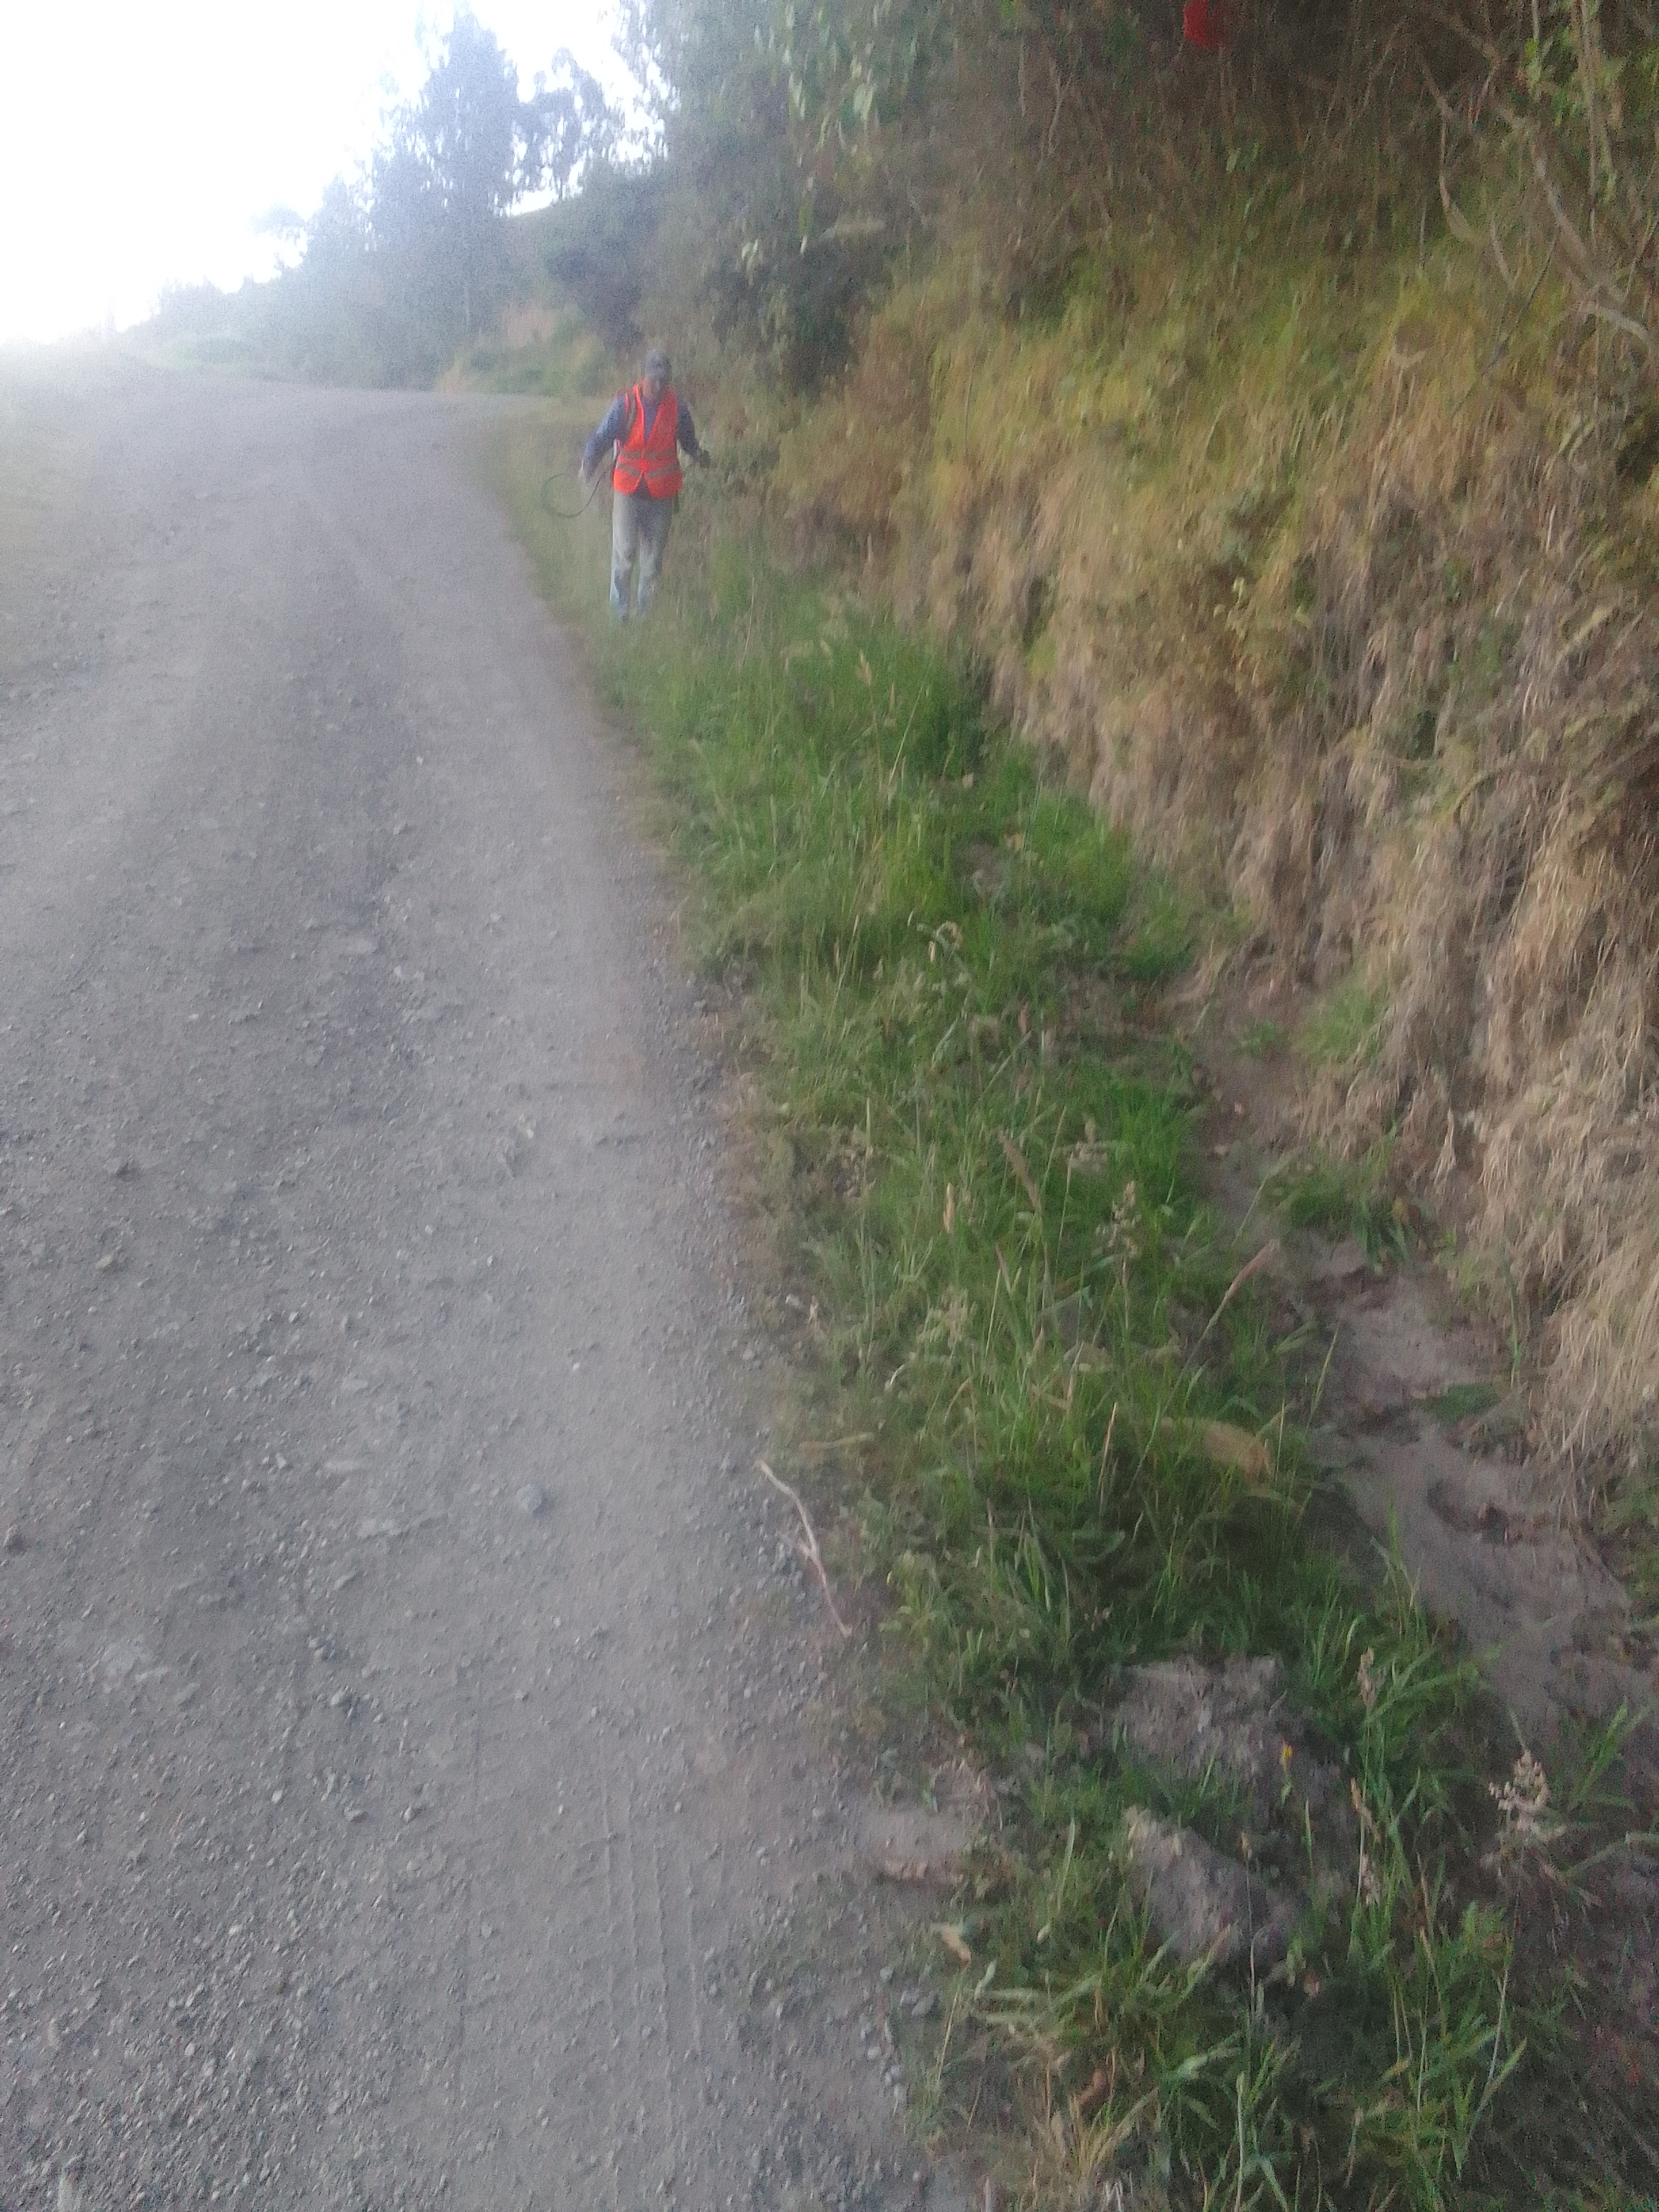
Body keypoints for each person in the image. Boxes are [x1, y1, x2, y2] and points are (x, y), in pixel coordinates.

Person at [578, 349, 711, 619]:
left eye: (664, 380)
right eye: (654, 379)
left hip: (662, 495)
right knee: (624, 554)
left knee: (652, 561)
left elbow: (689, 441)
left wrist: (699, 455)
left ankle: (645, 617)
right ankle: (620, 615)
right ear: (644, 376)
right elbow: (602, 436)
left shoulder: (678, 408)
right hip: (628, 491)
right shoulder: (625, 405)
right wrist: (589, 463)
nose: (659, 386)